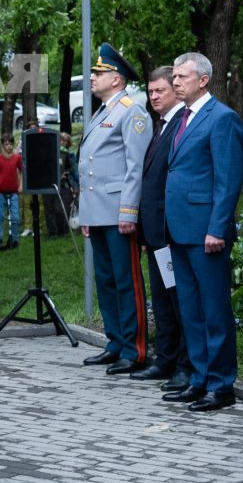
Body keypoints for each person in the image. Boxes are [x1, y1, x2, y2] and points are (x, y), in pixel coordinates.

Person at [162, 51, 243, 412]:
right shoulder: (181, 117)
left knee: (214, 310)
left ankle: (221, 384)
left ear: (203, 80)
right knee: (190, 309)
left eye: (182, 76)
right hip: (179, 229)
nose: (175, 81)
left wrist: (217, 227)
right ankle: (199, 378)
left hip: (206, 232)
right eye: (174, 76)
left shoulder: (221, 118)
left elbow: (227, 180)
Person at [77, 43, 153, 375]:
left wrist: (128, 211)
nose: (92, 78)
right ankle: (114, 342)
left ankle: (134, 349)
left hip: (118, 212)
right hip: (98, 212)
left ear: (117, 79)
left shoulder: (131, 111)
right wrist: (85, 214)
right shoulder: (102, 112)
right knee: (106, 280)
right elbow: (88, 168)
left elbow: (135, 167)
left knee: (126, 280)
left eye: (99, 73)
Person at [127, 67, 193, 389]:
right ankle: (165, 360)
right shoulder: (161, 125)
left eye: (160, 91)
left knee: (179, 302)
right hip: (155, 235)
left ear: (175, 90)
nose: (154, 97)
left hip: (172, 234)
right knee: (163, 302)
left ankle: (184, 364)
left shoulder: (182, 125)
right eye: (150, 92)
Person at [0, 135, 22, 251]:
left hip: (13, 191)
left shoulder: (17, 158)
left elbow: (21, 171)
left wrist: (21, 185)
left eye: (10, 144)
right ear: (2, 145)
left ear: (13, 144)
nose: (8, 147)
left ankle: (15, 239)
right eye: (6, 144)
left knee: (16, 217)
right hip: (0, 192)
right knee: (0, 216)